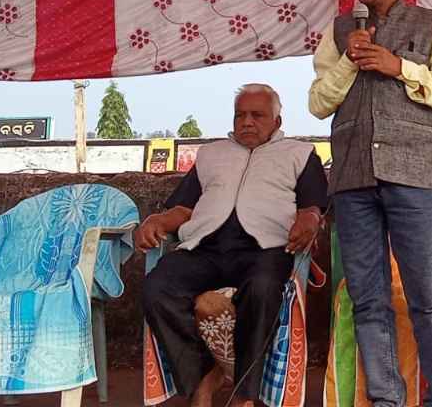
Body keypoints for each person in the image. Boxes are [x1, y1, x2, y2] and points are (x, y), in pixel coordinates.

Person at [308, 0, 432, 407]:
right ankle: (386, 399)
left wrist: (400, 67)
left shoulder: (430, 25)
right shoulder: (340, 31)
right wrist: (350, 61)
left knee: (427, 299)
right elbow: (318, 103)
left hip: (412, 178)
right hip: (352, 181)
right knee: (368, 299)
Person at [139, 84, 327, 407]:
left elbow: (313, 207)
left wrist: (309, 220)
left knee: (264, 289)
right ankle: (202, 377)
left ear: (277, 122)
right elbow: (183, 209)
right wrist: (157, 220)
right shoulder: (211, 154)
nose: (247, 122)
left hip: (266, 249)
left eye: (257, 115)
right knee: (156, 288)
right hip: (205, 248)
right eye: (240, 115)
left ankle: (244, 393)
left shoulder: (300, 153)